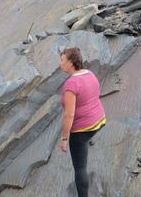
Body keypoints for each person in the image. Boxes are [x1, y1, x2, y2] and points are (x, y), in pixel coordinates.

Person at [58, 47, 106, 197]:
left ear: (71, 63)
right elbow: (96, 94)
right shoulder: (90, 74)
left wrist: (64, 138)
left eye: (62, 60)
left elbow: (69, 115)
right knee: (87, 138)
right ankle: (88, 139)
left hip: (82, 129)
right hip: (99, 120)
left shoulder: (71, 85)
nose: (60, 63)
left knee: (80, 168)